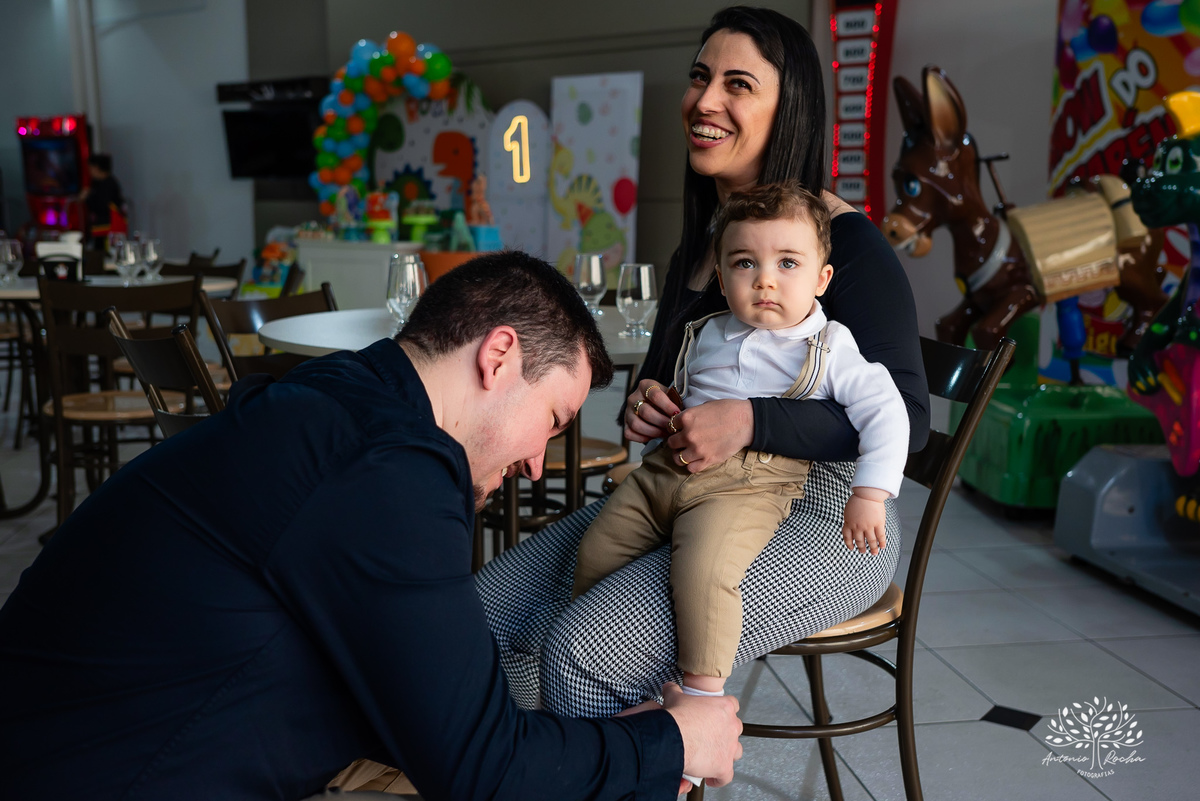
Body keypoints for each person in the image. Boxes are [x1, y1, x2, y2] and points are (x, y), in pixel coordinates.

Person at [0, 252, 742, 800]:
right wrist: (673, 740)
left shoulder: (340, 397)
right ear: (499, 355)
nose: (537, 464)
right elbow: (484, 770)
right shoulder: (387, 471)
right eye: (550, 419)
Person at [477, 4, 929, 728]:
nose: (704, 99)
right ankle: (534, 768)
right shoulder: (703, 251)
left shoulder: (848, 245)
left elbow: (908, 417)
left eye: (738, 84)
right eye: (699, 76)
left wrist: (750, 420)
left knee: (579, 650)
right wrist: (651, 401)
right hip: (681, 490)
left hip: (823, 516)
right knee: (483, 614)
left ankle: (638, 763)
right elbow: (668, 382)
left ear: (792, 110)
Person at [571, 183, 908, 711]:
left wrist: (870, 492)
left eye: (789, 263)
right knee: (597, 548)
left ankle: (703, 697)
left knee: (707, 572)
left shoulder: (830, 346)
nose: (766, 279)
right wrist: (661, 402)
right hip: (663, 475)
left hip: (746, 487)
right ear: (723, 279)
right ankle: (612, 670)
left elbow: (889, 412)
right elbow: (694, 397)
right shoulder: (709, 331)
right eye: (745, 263)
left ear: (822, 279)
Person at [81, 152, 127, 244]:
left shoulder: (108, 185)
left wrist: (87, 198)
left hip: (108, 229)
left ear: (96, 168)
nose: (89, 171)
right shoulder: (98, 183)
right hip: (101, 228)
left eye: (90, 168)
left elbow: (101, 206)